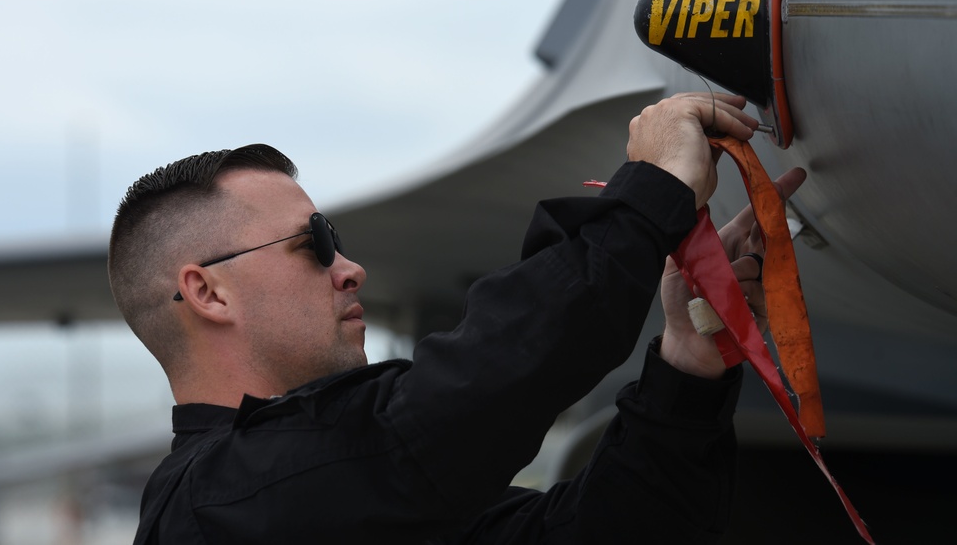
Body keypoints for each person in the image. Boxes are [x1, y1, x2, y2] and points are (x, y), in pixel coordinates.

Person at [108, 92, 804, 544]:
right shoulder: (216, 509)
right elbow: (455, 402)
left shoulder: (343, 499)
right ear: (208, 293)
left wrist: (689, 363)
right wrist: (651, 194)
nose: (349, 268)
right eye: (312, 244)